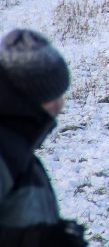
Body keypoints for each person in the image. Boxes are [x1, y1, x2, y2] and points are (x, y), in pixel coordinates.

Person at [0, 29, 87, 244]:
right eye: (53, 95)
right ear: (28, 98)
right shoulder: (5, 153)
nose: (61, 104)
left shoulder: (13, 143)